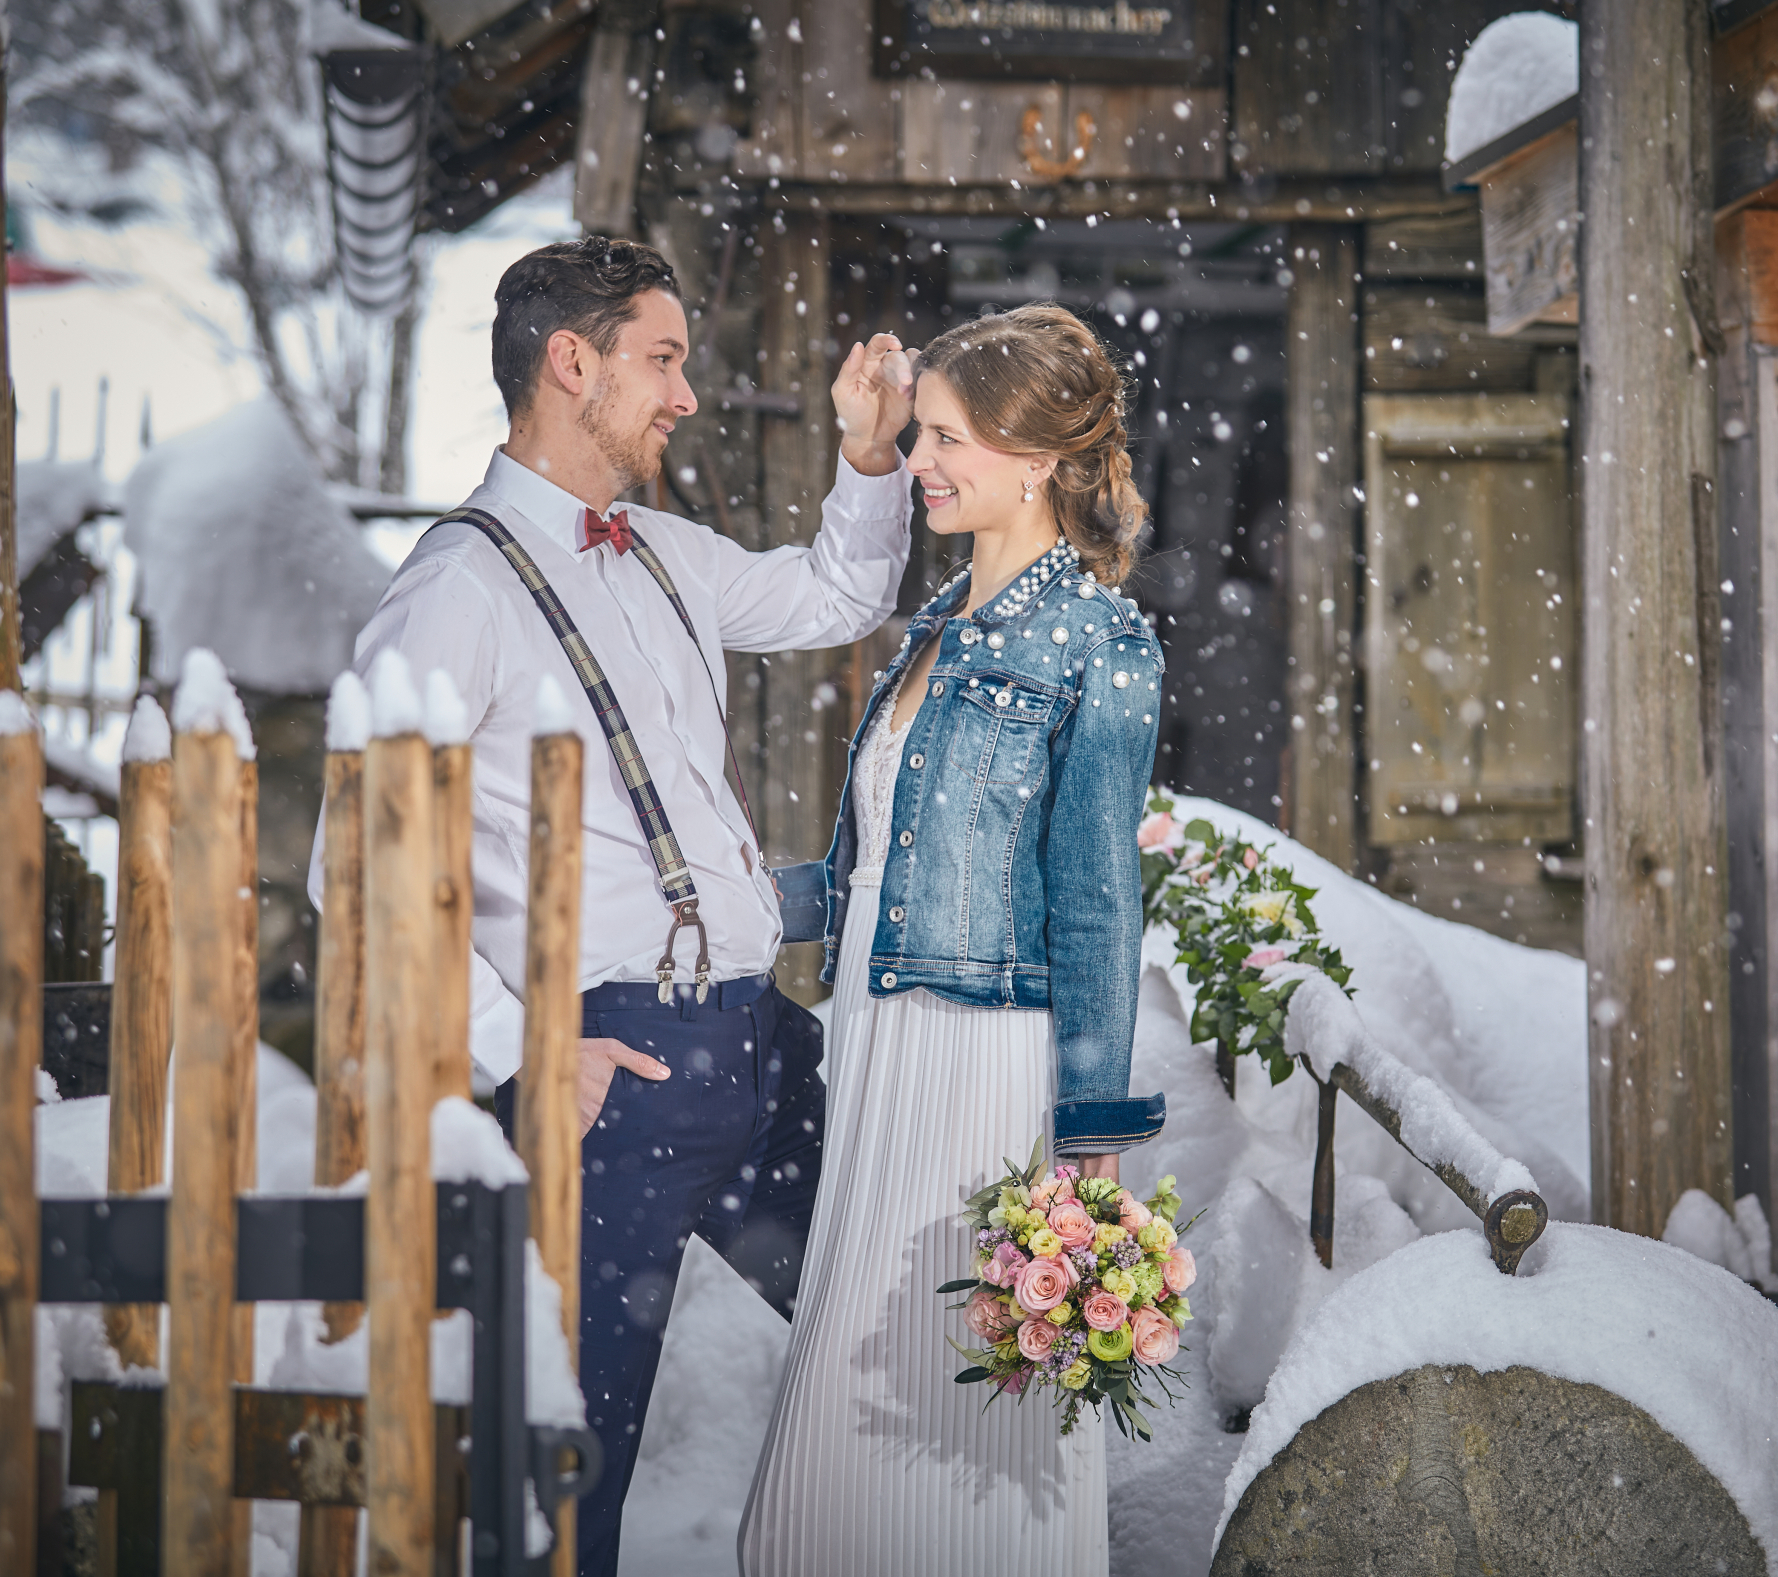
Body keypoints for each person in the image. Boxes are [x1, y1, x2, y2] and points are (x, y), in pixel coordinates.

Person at [312, 236, 922, 1576]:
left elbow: (839, 592)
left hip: (758, 1048)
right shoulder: (452, 592)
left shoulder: (664, 551)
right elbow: (356, 874)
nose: (686, 395)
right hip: (606, 1076)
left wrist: (869, 455)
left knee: (903, 1346)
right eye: (663, 360)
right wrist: (528, 1049)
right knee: (569, 1462)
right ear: (570, 363)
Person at [740, 304, 1167, 1576]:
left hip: (983, 1063)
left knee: (954, 1412)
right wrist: (713, 902)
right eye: (919, 433)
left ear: (1034, 457)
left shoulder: (1100, 638)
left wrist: (1087, 1143)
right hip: (878, 1039)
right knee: (844, 1406)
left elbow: (1097, 901)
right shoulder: (937, 620)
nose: (917, 461)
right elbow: (882, 868)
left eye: (942, 438)